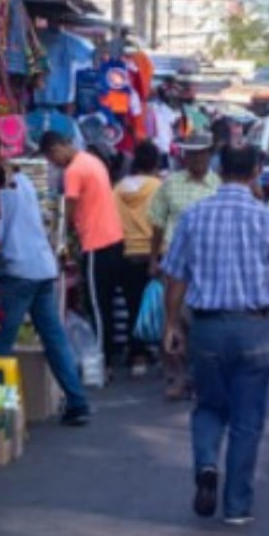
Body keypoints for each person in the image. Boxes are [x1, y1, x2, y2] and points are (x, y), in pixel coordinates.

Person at [162, 145, 269, 526]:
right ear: (257, 171)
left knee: (209, 406)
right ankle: (237, 505)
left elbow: (174, 278)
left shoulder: (194, 217)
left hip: (206, 328)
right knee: (247, 419)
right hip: (254, 329)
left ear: (218, 169)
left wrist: (172, 324)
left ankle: (208, 464)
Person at [0, 159, 93, 427]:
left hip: (17, 270)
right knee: (54, 337)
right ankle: (77, 401)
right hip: (41, 266)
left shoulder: (0, 189)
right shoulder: (23, 181)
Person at [41, 130, 126, 362]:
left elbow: (69, 207)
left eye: (52, 160)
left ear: (57, 149)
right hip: (114, 238)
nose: (55, 165)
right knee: (105, 301)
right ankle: (109, 353)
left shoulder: (74, 170)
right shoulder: (93, 160)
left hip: (96, 242)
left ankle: (99, 357)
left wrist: (58, 237)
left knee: (96, 304)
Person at [149, 134, 221, 401]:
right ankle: (177, 377)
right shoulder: (170, 184)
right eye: (192, 154)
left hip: (209, 266)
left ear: (210, 154)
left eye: (202, 153)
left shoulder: (218, 185)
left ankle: (200, 377)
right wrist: (153, 258)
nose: (197, 159)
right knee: (173, 320)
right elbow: (157, 223)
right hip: (174, 263)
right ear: (184, 156)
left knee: (202, 323)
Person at [113, 141, 164, 375]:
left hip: (126, 253)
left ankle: (137, 356)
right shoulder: (159, 187)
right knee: (159, 305)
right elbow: (161, 221)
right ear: (155, 163)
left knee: (134, 306)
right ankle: (162, 350)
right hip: (155, 253)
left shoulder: (118, 188)